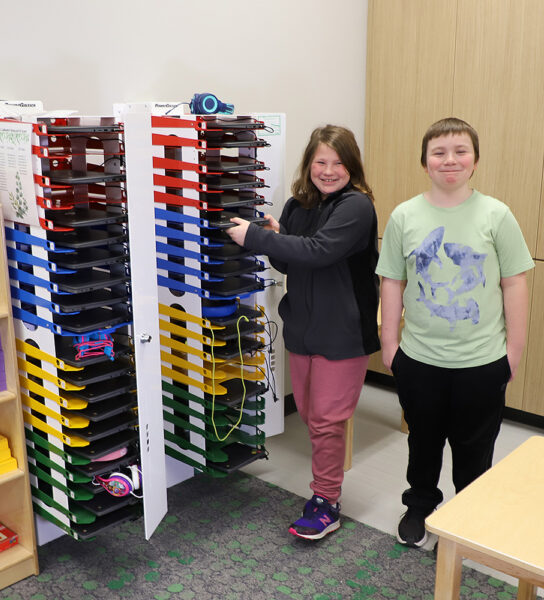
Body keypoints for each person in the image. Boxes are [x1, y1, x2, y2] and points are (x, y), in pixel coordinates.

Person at [376, 117, 534, 548]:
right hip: (419, 359)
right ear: (424, 162)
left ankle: (469, 513)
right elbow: (392, 280)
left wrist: (513, 352)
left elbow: (515, 282)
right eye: (439, 152)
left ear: (475, 160)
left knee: (474, 449)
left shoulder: (496, 215)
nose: (450, 160)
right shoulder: (405, 216)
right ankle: (420, 504)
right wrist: (390, 346)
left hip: (482, 362)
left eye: (460, 151)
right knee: (422, 442)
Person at [226, 125, 380, 540]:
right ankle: (324, 492)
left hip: (344, 334)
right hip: (303, 329)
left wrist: (257, 238)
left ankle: (326, 502)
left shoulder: (357, 207)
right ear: (309, 164)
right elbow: (295, 264)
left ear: (352, 166)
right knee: (314, 418)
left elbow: (320, 251)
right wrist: (278, 238)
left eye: (338, 163)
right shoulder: (298, 205)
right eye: (320, 162)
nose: (328, 171)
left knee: (328, 422)